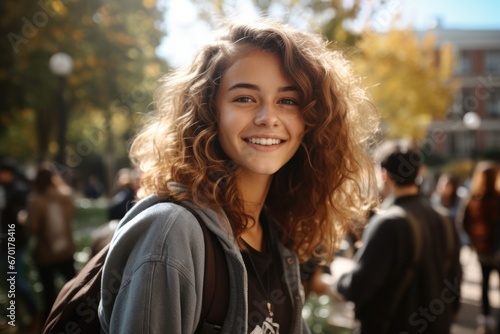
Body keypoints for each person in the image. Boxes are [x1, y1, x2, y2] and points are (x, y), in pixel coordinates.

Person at [98, 17, 379, 334]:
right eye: (245, 98)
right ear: (208, 110)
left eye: (288, 100)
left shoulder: (277, 236)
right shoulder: (171, 233)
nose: (267, 118)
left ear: (311, 121)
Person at [334, 142, 462, 333]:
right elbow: (455, 282)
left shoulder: (387, 222)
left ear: (385, 175)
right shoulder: (445, 219)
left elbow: (359, 288)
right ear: (420, 172)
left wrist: (339, 275)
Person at [26, 163, 76, 320]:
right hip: (66, 250)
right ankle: (77, 316)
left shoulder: (36, 200)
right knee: (74, 286)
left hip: (46, 253)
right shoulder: (66, 196)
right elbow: (71, 217)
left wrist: (23, 221)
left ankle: (51, 323)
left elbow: (32, 227)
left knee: (49, 292)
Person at [456, 161, 500, 333]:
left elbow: (463, 223)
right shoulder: (495, 199)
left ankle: (486, 317)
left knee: (485, 282)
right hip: (494, 250)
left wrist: (475, 242)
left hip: (482, 250)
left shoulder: (473, 199)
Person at [0, 158, 42, 332]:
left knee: (14, 281)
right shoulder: (8, 188)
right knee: (10, 280)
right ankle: (14, 318)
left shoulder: (18, 189)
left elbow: (20, 214)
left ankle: (31, 315)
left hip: (13, 240)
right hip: (7, 240)